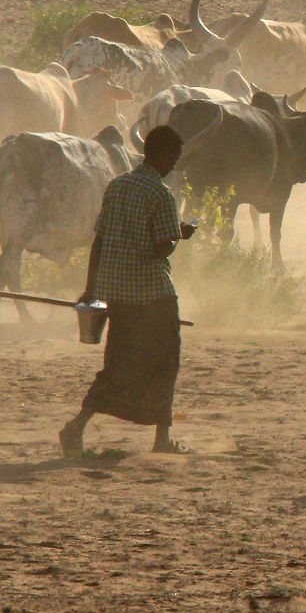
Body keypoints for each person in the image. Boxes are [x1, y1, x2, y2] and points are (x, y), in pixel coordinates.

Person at [60, 125, 196, 456]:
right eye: (173, 158)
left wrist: (91, 288)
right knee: (166, 363)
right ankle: (162, 440)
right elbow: (161, 248)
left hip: (116, 294)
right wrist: (179, 234)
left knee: (117, 366)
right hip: (153, 295)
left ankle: (76, 426)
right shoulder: (161, 194)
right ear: (161, 156)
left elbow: (100, 239)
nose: (174, 164)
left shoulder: (117, 186)